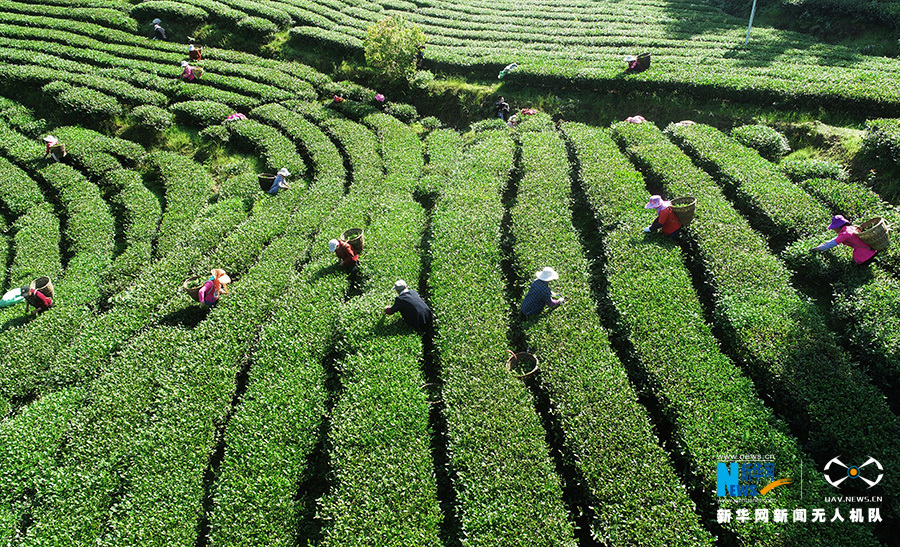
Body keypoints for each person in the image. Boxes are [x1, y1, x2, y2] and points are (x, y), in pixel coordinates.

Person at [810, 215, 879, 266]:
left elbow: (832, 244)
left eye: (834, 228)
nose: (834, 230)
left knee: (858, 267)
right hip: (872, 250)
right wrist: (825, 243)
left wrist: (817, 249)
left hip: (864, 255)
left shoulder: (845, 233)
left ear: (838, 226)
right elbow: (836, 239)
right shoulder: (851, 228)